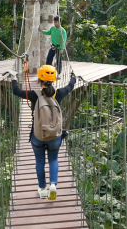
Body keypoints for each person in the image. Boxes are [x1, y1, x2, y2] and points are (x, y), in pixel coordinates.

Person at [8, 65, 76, 200]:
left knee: (40, 161)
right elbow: (70, 86)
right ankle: (53, 185)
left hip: (38, 135)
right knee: (54, 159)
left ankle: (42, 189)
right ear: (55, 79)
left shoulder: (34, 95)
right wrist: (73, 78)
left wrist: (14, 77)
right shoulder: (60, 93)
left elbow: (16, 91)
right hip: (55, 135)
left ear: (39, 79)